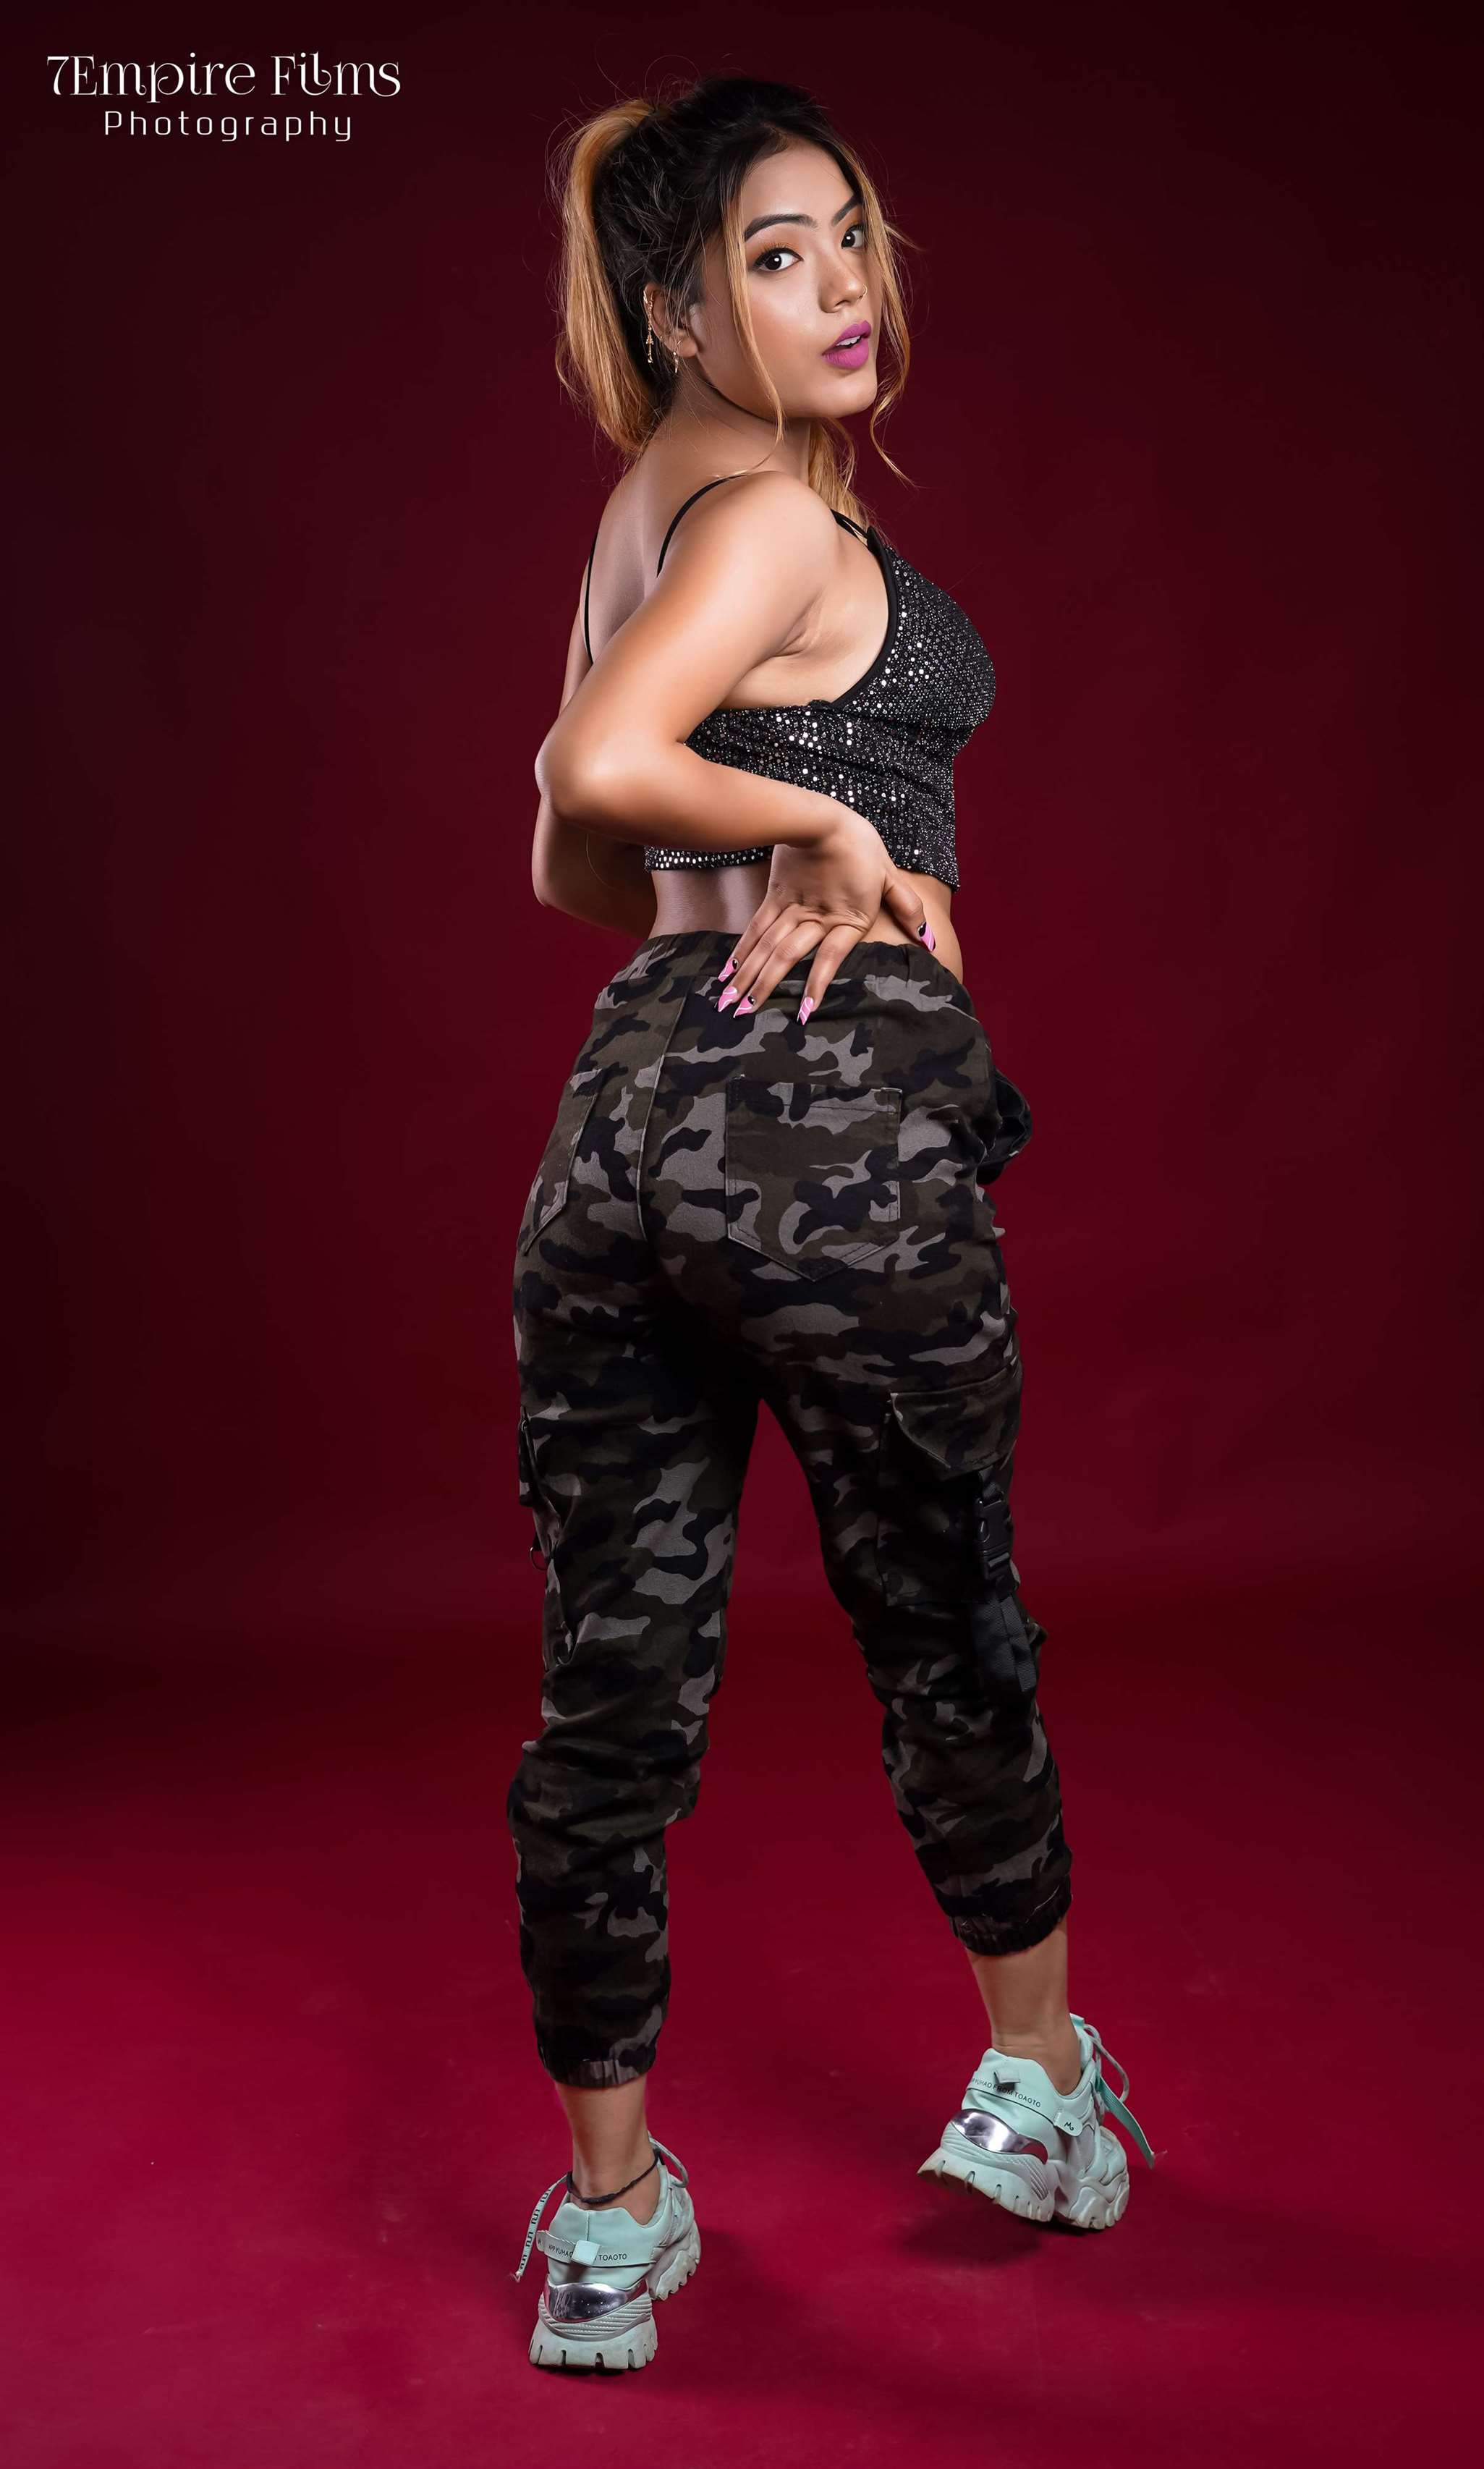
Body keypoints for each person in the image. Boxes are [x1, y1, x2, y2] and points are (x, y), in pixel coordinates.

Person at [507, 73, 1154, 2373]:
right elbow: (599, 781)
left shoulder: (642, 516)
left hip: (623, 1131)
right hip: (826, 1135)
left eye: (848, 235)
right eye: (772, 259)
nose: (841, 286)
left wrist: (752, 845)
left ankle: (606, 2225)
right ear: (678, 316)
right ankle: (1041, 2091)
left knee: (612, 1691)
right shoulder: (772, 515)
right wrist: (839, 846)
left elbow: (573, 871)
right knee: (942, 1627)